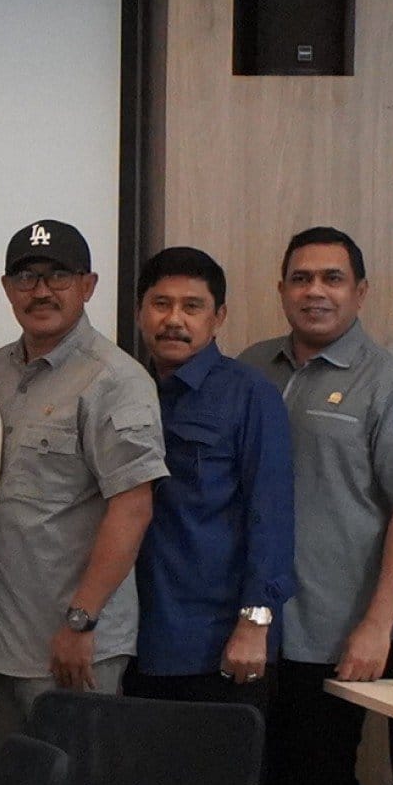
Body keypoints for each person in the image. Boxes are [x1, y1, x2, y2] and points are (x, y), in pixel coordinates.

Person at [241, 227, 393, 785]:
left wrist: (377, 626)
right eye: (301, 278)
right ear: (282, 289)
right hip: (249, 628)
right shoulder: (252, 368)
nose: (315, 291)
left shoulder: (388, 383)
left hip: (330, 632)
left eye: (332, 278)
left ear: (360, 291)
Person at [0, 220, 167, 756]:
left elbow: (133, 507)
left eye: (58, 276)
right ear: (7, 288)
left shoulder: (116, 380)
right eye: (26, 277)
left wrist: (82, 621)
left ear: (88, 285)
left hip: (74, 644)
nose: (41, 291)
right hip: (0, 642)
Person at [128, 246, 297, 707]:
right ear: (140, 312)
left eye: (192, 306)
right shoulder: (124, 390)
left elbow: (271, 516)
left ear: (217, 317)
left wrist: (255, 623)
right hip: (134, 638)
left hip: (219, 642)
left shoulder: (250, 394)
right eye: (161, 304)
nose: (174, 320)